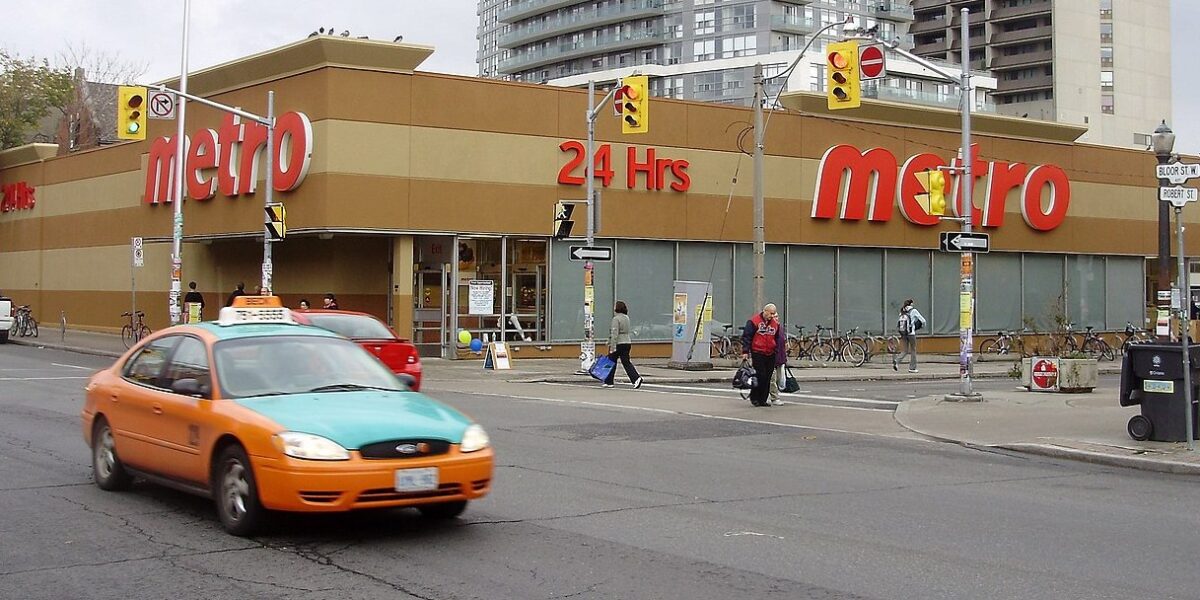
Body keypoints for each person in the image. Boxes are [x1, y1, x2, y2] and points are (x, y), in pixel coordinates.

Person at [741, 303, 783, 407]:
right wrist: (745, 351)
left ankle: (763, 399)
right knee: (760, 376)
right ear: (765, 311)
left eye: (774, 314)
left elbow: (777, 338)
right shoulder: (754, 321)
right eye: (771, 313)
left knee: (768, 377)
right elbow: (747, 336)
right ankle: (755, 398)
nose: (772, 316)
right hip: (758, 352)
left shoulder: (775, 324)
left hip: (770, 353)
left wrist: (777, 350)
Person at [602, 301, 643, 389]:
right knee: (625, 362)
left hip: (618, 343)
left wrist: (612, 346)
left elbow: (614, 333)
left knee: (611, 361)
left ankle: (609, 381)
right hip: (627, 342)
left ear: (616, 308)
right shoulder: (626, 318)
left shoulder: (616, 319)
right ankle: (635, 378)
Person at [893, 299, 926, 373]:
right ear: (911, 304)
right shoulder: (913, 311)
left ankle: (897, 361)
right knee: (913, 350)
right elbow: (923, 320)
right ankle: (912, 368)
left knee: (905, 350)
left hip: (903, 333)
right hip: (911, 333)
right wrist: (922, 326)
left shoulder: (902, 312)